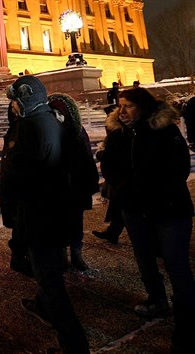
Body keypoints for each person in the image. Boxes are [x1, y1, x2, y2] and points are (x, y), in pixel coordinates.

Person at [6, 76, 89, 353]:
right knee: (51, 275)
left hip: (39, 215)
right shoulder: (54, 121)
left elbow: (20, 173)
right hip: (56, 211)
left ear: (24, 99)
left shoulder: (29, 127)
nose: (13, 107)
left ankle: (75, 344)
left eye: (15, 101)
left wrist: (7, 184)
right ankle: (43, 308)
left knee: (51, 282)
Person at [110, 88, 195, 352]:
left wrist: (150, 188)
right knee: (144, 257)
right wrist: (122, 185)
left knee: (176, 264)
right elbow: (111, 168)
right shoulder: (118, 133)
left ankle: (188, 324)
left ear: (144, 107)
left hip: (169, 209)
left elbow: (180, 168)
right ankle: (156, 299)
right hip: (135, 209)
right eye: (120, 105)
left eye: (129, 106)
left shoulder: (164, 130)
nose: (122, 111)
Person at [48, 93, 99, 271]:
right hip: (57, 188)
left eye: (59, 112)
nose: (56, 116)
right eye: (52, 112)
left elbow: (86, 159)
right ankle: (62, 257)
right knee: (59, 224)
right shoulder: (49, 131)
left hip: (75, 187)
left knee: (76, 223)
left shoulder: (77, 132)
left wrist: (88, 183)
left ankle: (77, 254)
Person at [0, 103, 32, 277]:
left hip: (19, 185)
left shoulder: (22, 127)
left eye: (15, 107)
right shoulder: (17, 129)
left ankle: (21, 256)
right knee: (19, 225)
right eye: (11, 108)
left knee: (21, 225)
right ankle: (19, 258)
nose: (13, 111)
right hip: (16, 186)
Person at [92, 105, 125, 244]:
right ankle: (112, 232)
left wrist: (101, 154)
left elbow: (114, 154)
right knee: (120, 208)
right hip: (119, 179)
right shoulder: (117, 129)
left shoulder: (120, 131)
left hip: (122, 179)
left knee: (123, 208)